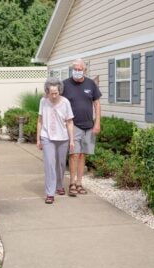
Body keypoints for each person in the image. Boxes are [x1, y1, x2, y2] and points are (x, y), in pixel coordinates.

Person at [63, 58, 102, 197]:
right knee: (74, 155)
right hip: (73, 126)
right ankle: (72, 183)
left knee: (82, 155)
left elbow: (97, 104)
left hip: (88, 126)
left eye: (80, 69)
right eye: (75, 69)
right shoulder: (65, 85)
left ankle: (79, 183)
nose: (77, 72)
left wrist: (97, 123)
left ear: (84, 70)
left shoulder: (91, 84)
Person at [36, 77, 75, 204]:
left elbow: (69, 122)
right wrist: (38, 139)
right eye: (51, 93)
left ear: (60, 91)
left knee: (61, 164)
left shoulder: (65, 102)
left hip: (62, 137)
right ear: (47, 91)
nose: (53, 95)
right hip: (47, 136)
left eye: (56, 93)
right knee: (49, 164)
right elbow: (40, 121)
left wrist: (72, 140)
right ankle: (50, 193)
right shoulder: (43, 101)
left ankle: (59, 185)